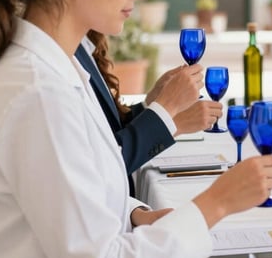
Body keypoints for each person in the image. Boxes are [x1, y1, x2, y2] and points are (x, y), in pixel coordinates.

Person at [0, 0, 272, 258]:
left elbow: (71, 195)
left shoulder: (61, 69)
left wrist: (134, 215)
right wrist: (217, 203)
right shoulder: (38, 92)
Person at [76, 31, 223, 193]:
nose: (137, 3)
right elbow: (104, 165)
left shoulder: (82, 46)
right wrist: (173, 120)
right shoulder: (67, 59)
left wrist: (150, 103)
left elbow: (108, 130)